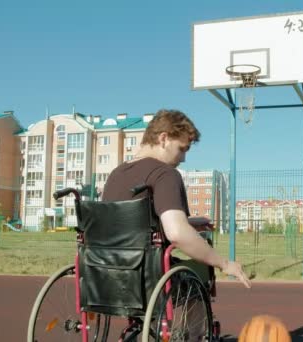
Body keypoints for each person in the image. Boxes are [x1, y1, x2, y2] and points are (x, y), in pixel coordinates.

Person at [102, 108, 251, 289]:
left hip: (104, 273)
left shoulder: (115, 174)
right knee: (198, 276)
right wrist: (224, 264)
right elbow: (177, 234)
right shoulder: (165, 174)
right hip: (147, 277)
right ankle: (196, 318)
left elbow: (133, 225)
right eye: (182, 149)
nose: (184, 158)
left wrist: (189, 222)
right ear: (163, 139)